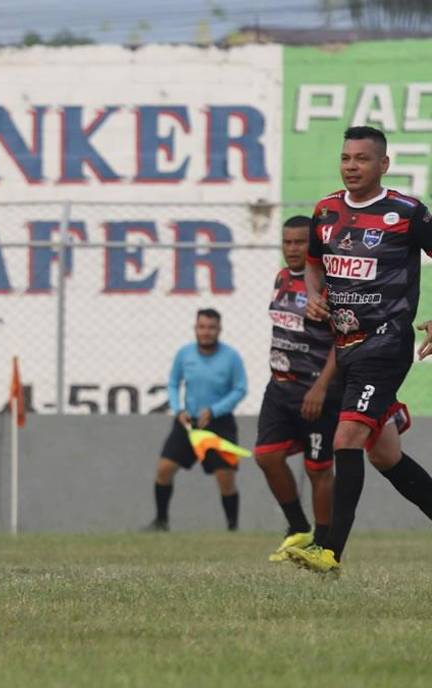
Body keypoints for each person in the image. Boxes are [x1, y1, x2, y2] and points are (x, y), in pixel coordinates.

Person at [286, 126, 432, 574]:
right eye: (346, 157)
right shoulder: (326, 210)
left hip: (386, 342)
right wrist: (314, 295)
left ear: (383, 164)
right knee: (384, 454)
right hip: (345, 345)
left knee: (346, 438)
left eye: (362, 159)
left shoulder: (406, 212)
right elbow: (314, 263)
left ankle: (328, 550)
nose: (352, 166)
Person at [254, 215, 340, 562]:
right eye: (287, 242)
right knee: (266, 455)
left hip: (315, 392)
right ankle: (297, 528)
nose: (292, 249)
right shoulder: (281, 278)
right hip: (279, 388)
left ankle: (322, 542)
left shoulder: (326, 287)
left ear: (314, 245)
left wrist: (321, 387)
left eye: (300, 242)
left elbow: (343, 341)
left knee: (318, 470)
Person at [144, 309, 247, 531]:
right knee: (164, 469)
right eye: (202, 327)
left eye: (211, 327)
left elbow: (240, 389)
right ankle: (161, 521)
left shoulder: (231, 357)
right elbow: (173, 383)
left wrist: (215, 410)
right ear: (195, 329)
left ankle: (232, 529)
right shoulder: (185, 354)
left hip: (219, 423)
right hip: (188, 423)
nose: (206, 332)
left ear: (219, 329)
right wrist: (177, 409)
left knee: (225, 478)